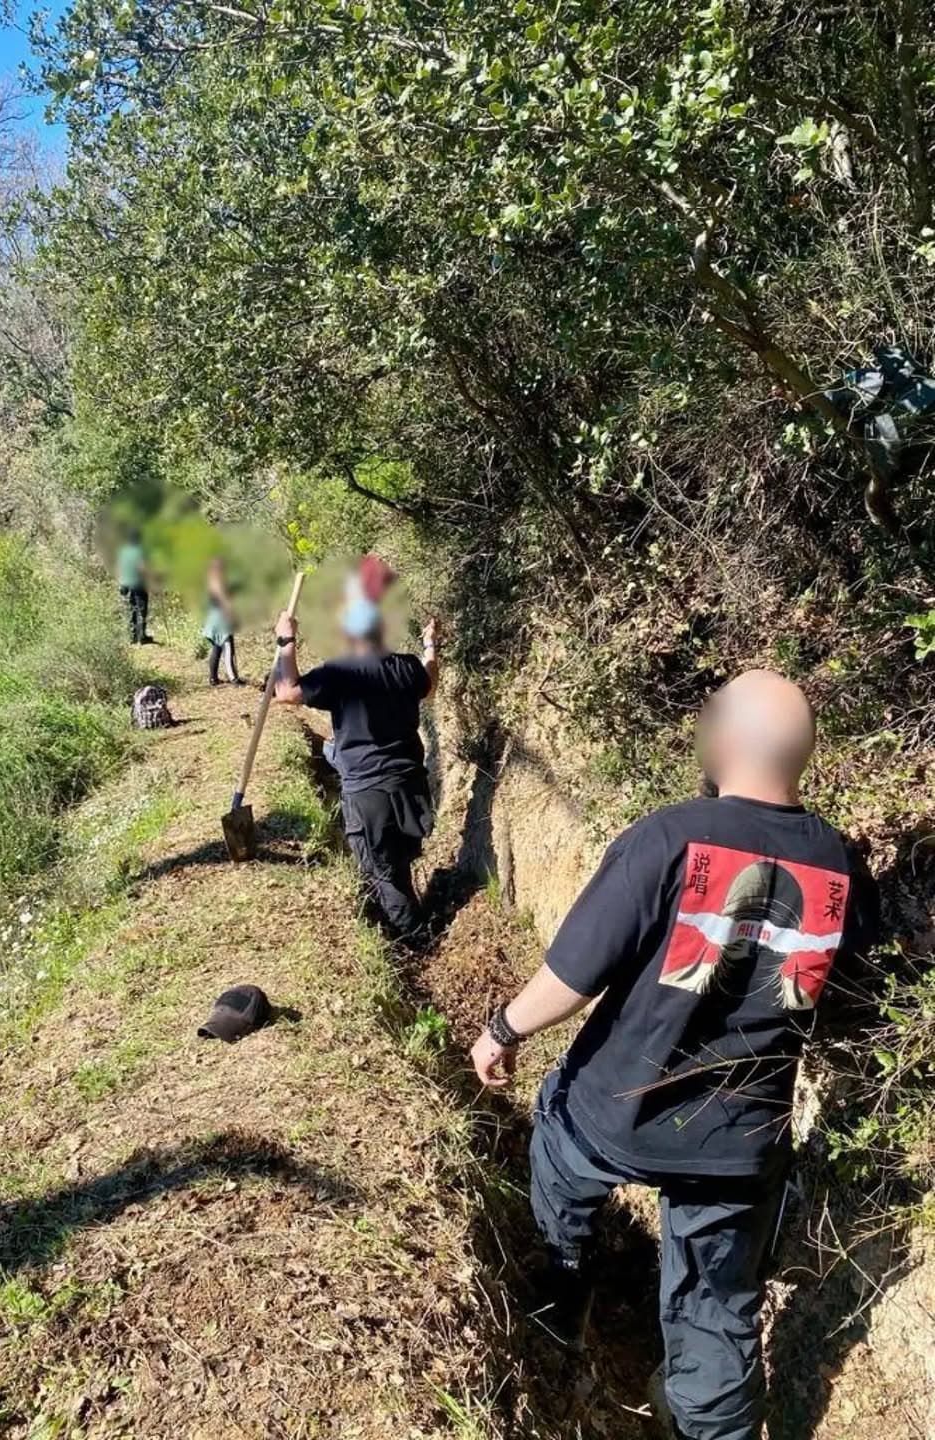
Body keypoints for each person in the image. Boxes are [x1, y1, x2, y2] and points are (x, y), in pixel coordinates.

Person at [469, 670, 879, 1440]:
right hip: (740, 1142)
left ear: (722, 737)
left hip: (613, 1114)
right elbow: (842, 978)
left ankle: (564, 1293)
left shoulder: (669, 837)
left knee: (556, 1141)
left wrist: (502, 1029)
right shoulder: (842, 865)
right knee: (719, 1309)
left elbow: (573, 974)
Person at [273, 593, 440, 941]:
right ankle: (415, 918)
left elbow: (287, 692)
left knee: (382, 873)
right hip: (411, 786)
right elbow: (429, 683)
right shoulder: (406, 666)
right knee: (397, 862)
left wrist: (286, 640)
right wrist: (429, 647)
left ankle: (420, 938)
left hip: (368, 794)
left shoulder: (340, 673)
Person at [201, 558, 243, 685]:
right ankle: (234, 679)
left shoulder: (211, 582)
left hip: (213, 618)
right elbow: (224, 601)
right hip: (221, 619)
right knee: (228, 648)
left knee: (217, 648)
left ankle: (213, 678)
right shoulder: (217, 583)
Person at [116, 530, 151, 645]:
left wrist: (122, 584)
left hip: (127, 583)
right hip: (139, 583)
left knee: (132, 609)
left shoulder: (124, 552)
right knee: (142, 609)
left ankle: (133, 637)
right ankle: (142, 637)